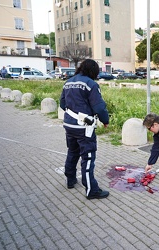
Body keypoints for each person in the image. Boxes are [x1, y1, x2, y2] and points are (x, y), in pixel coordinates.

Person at [59, 59, 110, 200]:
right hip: (83, 127)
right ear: (92, 70)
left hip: (69, 125)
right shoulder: (90, 84)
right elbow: (99, 107)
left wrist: (73, 113)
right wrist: (105, 120)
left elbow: (62, 104)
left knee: (72, 152)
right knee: (87, 157)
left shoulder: (68, 82)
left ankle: (70, 179)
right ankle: (91, 190)